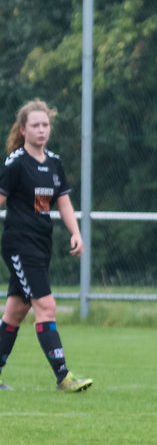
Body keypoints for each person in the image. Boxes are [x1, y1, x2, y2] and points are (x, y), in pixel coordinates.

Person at [0, 99, 93, 392]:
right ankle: (63, 377)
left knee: (15, 312)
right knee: (46, 306)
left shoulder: (53, 163)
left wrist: (75, 232)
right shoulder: (16, 164)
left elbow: (62, 200)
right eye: (35, 125)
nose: (41, 130)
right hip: (19, 243)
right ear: (23, 130)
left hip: (42, 244)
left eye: (45, 125)